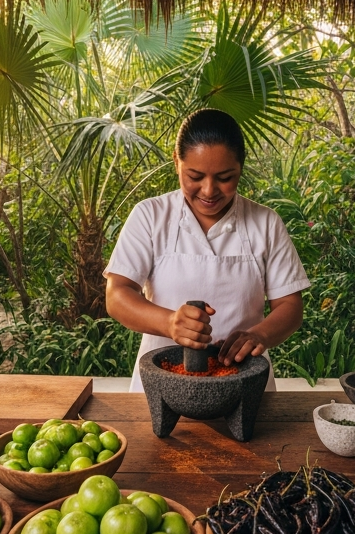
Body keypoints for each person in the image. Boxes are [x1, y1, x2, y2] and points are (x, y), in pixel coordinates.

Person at [105, 109, 310, 392]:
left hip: (246, 384)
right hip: (161, 384)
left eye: (225, 177)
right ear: (177, 162)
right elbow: (117, 295)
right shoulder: (150, 216)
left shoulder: (265, 222)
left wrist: (259, 334)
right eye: (195, 176)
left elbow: (290, 305)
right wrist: (170, 323)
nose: (209, 190)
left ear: (241, 167)